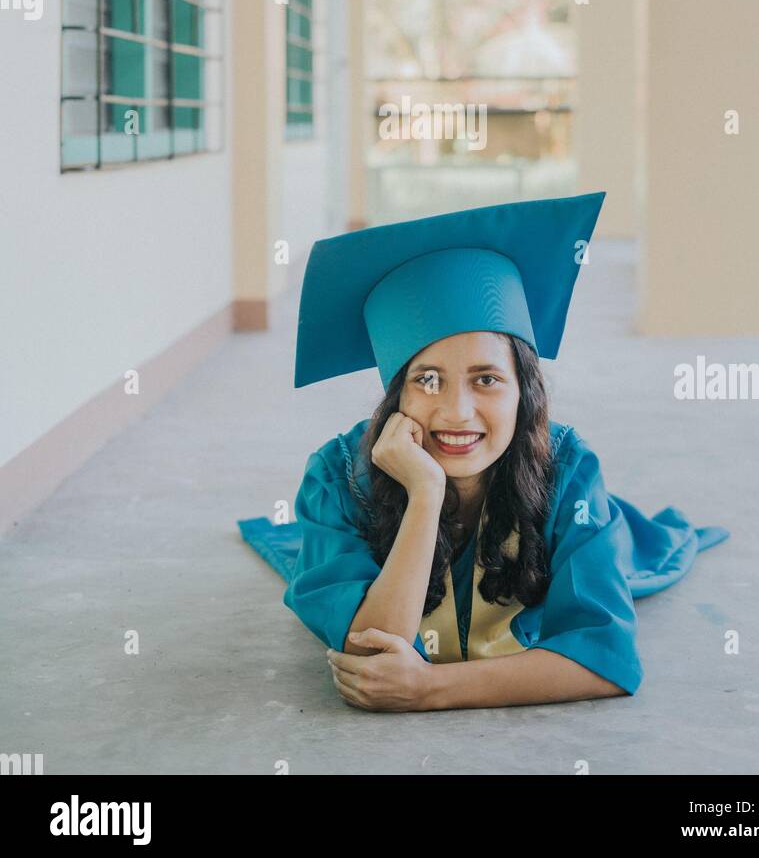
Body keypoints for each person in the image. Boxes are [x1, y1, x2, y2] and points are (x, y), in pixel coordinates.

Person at [238, 193, 729, 712]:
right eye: (427, 380)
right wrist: (425, 495)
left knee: (620, 546)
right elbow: (369, 652)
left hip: (553, 499)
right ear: (396, 396)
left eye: (488, 379)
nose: (457, 413)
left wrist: (429, 689)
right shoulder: (338, 478)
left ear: (526, 391)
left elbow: (606, 658)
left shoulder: (568, 470)